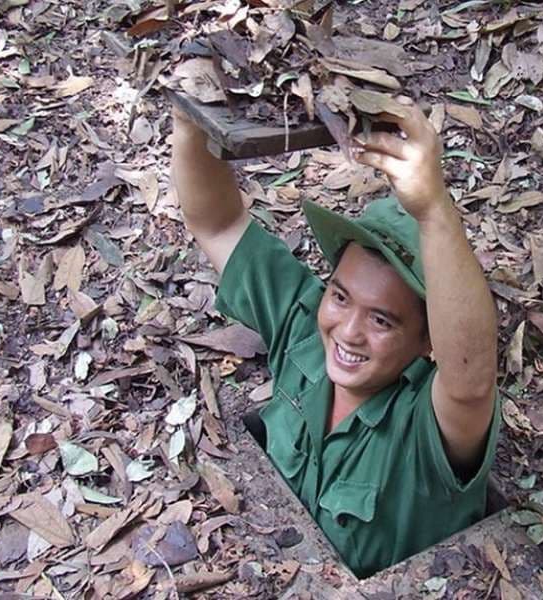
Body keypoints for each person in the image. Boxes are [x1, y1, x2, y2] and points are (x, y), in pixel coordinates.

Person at [170, 98, 500, 578]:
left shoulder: (428, 428)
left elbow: (470, 380)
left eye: (382, 321)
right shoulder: (304, 328)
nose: (347, 332)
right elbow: (217, 224)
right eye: (341, 297)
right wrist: (189, 119)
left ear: (428, 341)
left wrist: (433, 211)